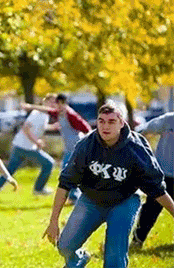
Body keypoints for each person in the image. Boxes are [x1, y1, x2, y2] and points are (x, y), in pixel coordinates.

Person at [43, 102, 174, 268]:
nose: (105, 126)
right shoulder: (87, 145)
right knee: (65, 247)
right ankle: (79, 259)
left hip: (124, 202)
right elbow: (65, 183)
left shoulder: (136, 149)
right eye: (101, 121)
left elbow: (157, 189)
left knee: (114, 259)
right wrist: (53, 221)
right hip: (91, 200)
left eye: (111, 121)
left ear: (122, 123)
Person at [0, 94, 57, 202]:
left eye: (55, 102)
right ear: (44, 102)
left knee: (8, 172)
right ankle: (39, 188)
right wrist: (37, 142)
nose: (53, 104)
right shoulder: (37, 113)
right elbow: (26, 128)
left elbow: (40, 127)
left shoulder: (44, 115)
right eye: (51, 101)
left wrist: (52, 127)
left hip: (20, 146)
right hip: (25, 148)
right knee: (49, 163)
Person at [22, 93, 92, 204]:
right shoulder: (58, 113)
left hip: (76, 147)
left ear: (65, 104)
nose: (59, 106)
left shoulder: (71, 115)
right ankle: (75, 197)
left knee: (67, 171)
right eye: (57, 104)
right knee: (69, 172)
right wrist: (31, 107)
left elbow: (86, 128)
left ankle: (76, 197)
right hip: (69, 148)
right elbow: (45, 109)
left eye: (61, 104)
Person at [130, 112, 174, 249]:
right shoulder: (168, 120)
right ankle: (138, 240)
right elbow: (143, 130)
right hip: (163, 175)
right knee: (151, 209)